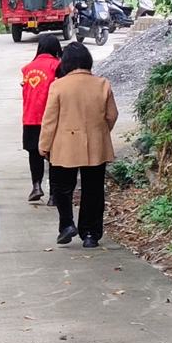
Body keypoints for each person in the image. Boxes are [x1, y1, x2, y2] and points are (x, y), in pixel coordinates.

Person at [39, 42, 118, 248]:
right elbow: (112, 115)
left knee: (61, 187)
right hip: (96, 146)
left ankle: (67, 224)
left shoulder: (58, 86)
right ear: (87, 61)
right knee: (93, 190)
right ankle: (91, 234)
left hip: (64, 145)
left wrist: (44, 145)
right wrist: (100, 132)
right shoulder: (103, 84)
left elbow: (50, 120)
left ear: (66, 63)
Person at [21, 35, 62, 205]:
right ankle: (54, 194)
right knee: (54, 156)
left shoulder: (27, 68)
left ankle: (36, 186)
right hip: (50, 118)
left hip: (29, 117)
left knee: (34, 153)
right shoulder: (57, 66)